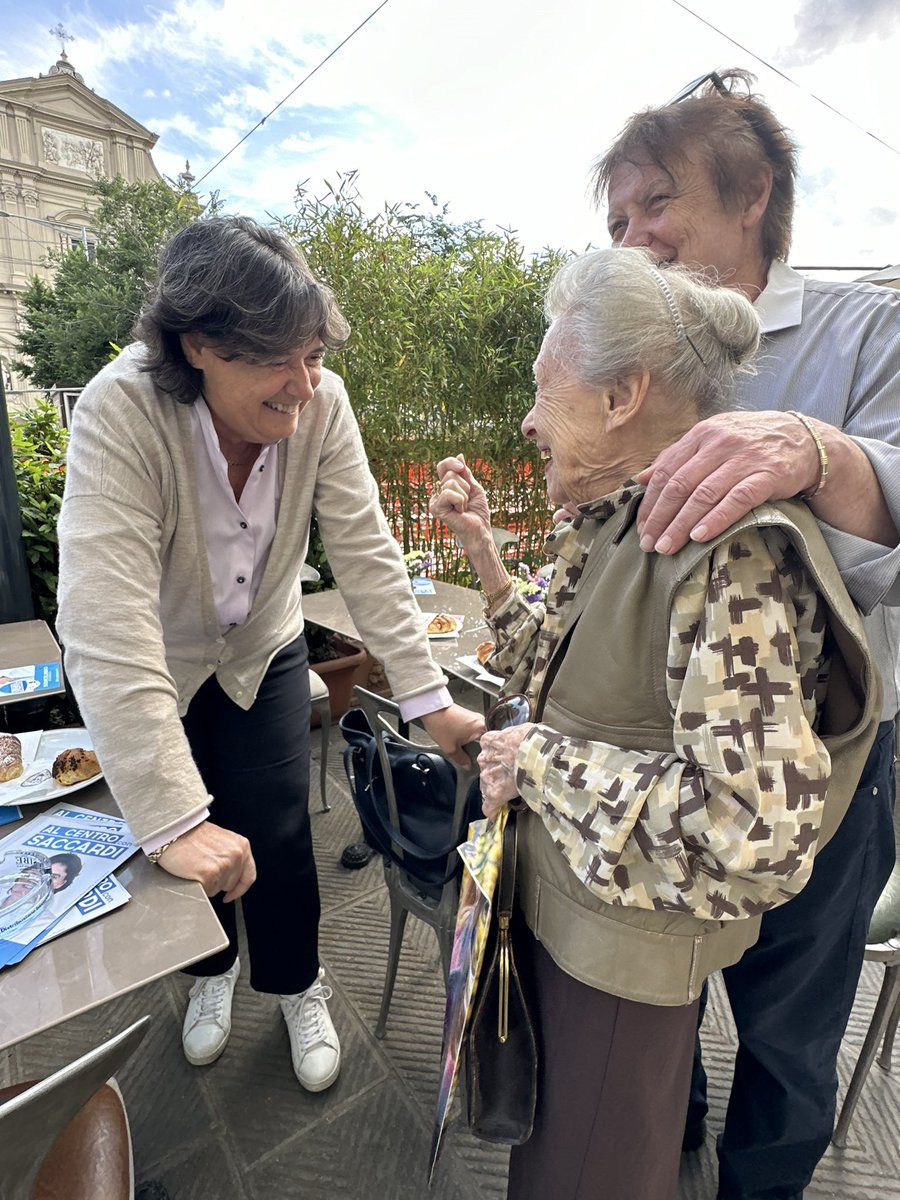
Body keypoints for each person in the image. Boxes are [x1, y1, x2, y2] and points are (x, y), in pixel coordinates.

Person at [430, 246, 879, 1200]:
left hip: (623, 967)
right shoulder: (621, 520)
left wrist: (538, 764)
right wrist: (482, 551)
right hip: (575, 921)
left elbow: (755, 832)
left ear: (622, 393)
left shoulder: (719, 550)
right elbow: (542, 657)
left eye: (544, 387)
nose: (526, 417)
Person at [56, 216, 483, 1092]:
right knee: (191, 840)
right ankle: (207, 976)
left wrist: (426, 699)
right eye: (277, 360)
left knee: (280, 832)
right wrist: (170, 817)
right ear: (199, 343)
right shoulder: (121, 408)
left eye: (315, 354)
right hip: (162, 666)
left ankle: (297, 984)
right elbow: (106, 617)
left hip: (265, 649)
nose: (303, 385)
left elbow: (366, 552)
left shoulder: (321, 403)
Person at [592, 69, 900, 1198]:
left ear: (755, 193)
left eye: (654, 205)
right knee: (662, 992)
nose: (633, 237)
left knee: (787, 1034)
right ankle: (667, 1144)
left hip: (823, 773)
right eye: (616, 221)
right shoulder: (634, 362)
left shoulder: (867, 327)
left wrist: (821, 453)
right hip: (656, 752)